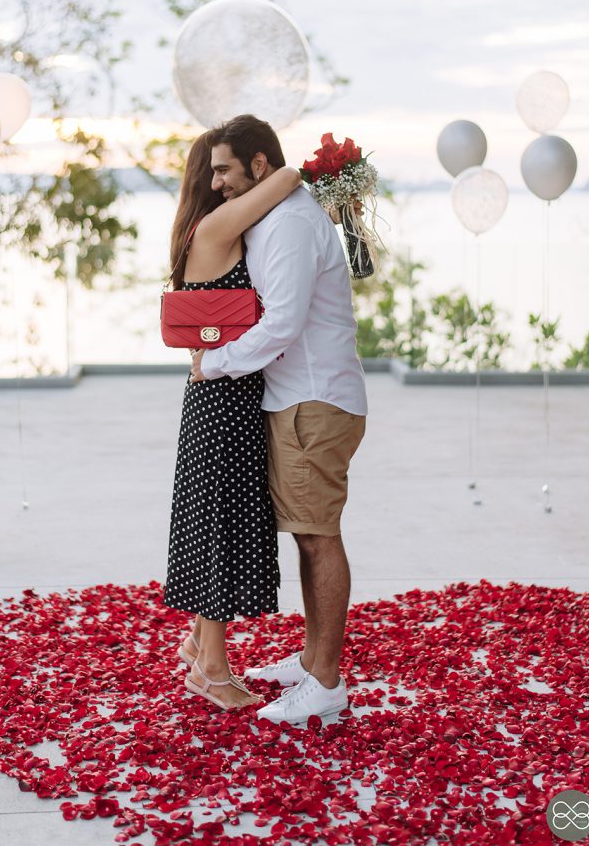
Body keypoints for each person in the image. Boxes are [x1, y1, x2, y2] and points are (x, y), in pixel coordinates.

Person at [190, 114, 368, 724]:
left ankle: (325, 682)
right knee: (307, 533)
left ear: (259, 166)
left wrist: (214, 364)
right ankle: (312, 658)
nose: (216, 184)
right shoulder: (275, 216)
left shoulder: (290, 224)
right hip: (297, 402)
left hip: (313, 403)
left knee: (319, 539)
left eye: (225, 170)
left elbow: (283, 324)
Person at [164, 129, 302, 711]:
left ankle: (199, 644)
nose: (222, 183)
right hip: (223, 401)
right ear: (204, 180)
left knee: (221, 521)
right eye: (214, 174)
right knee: (220, 528)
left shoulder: (212, 228)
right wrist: (276, 164)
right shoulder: (216, 227)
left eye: (227, 173)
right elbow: (290, 177)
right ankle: (214, 672)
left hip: (226, 398)